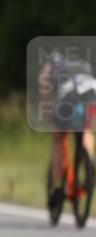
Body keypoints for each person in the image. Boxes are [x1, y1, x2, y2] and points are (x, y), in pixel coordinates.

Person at [41, 51, 96, 210]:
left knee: (58, 137)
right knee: (86, 130)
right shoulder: (83, 66)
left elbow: (46, 95)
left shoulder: (49, 69)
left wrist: (49, 116)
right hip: (92, 94)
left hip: (69, 98)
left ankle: (58, 184)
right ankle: (88, 164)